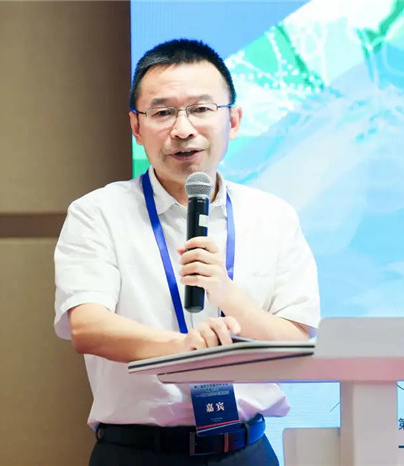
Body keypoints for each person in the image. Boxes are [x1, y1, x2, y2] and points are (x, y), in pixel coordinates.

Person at [53, 38, 320, 465]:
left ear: (233, 119)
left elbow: (295, 339)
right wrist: (182, 346)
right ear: (136, 127)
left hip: (245, 450)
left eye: (200, 109)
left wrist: (227, 293)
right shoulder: (98, 212)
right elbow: (87, 327)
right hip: (138, 452)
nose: (182, 129)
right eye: (162, 113)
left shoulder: (273, 216)